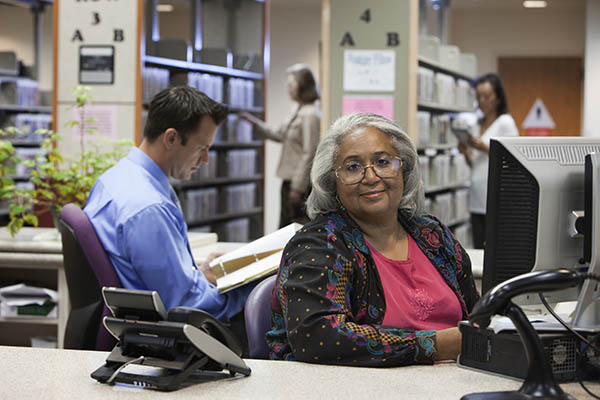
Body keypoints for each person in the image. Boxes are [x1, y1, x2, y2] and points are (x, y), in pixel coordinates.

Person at [266, 113, 480, 367]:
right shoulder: (319, 244)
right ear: (332, 181)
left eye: (383, 162)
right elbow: (317, 336)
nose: (370, 177)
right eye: (352, 167)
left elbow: (477, 315)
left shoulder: (432, 234)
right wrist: (436, 345)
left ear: (404, 168)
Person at [84, 86, 253, 323]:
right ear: (171, 138)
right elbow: (187, 307)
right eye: (201, 148)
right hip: (171, 331)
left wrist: (198, 275)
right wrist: (252, 291)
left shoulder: (116, 178)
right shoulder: (148, 208)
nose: (205, 160)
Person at [240, 63, 321, 227]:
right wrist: (255, 123)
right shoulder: (297, 110)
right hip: (289, 181)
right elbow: (279, 134)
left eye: (291, 84)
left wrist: (297, 187)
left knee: (294, 225)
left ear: (303, 86)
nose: (288, 88)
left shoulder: (310, 114)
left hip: (299, 183)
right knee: (284, 224)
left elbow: (309, 153)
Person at [458, 73, 519, 249]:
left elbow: (513, 157)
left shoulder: (505, 122)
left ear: (498, 98)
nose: (482, 101)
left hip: (497, 198)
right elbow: (477, 164)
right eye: (478, 97)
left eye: (487, 96)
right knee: (479, 246)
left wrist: (483, 147)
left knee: (496, 249)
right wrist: (466, 153)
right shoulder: (477, 124)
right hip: (477, 197)